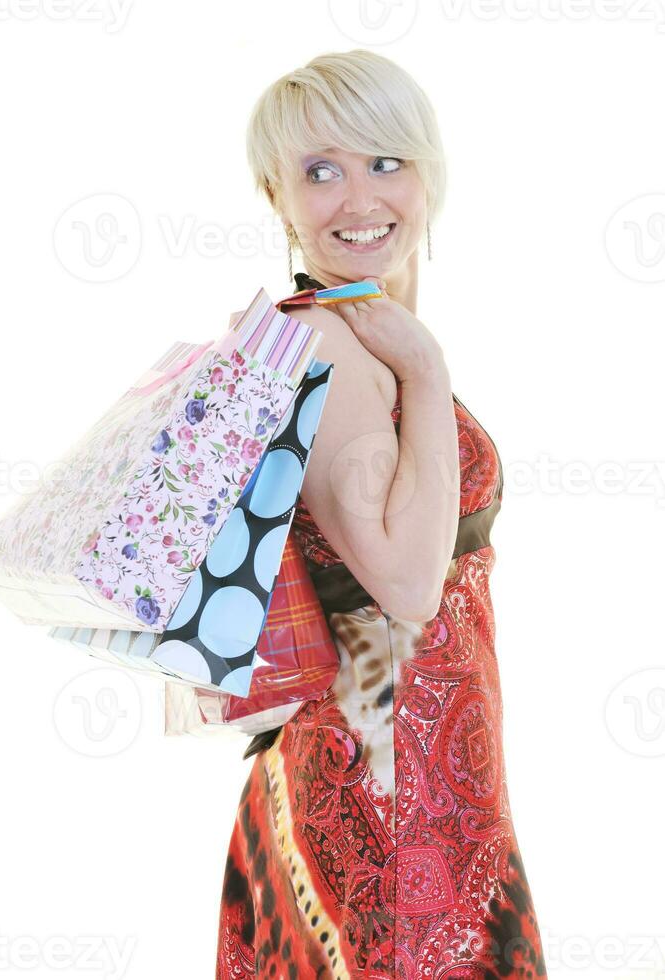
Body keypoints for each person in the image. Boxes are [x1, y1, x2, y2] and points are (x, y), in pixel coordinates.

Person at [215, 49, 547, 979]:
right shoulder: (325, 339)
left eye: (384, 161)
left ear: (428, 173)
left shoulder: (362, 331)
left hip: (419, 765)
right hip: (385, 783)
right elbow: (405, 584)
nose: (358, 196)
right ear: (276, 196)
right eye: (320, 171)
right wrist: (428, 369)